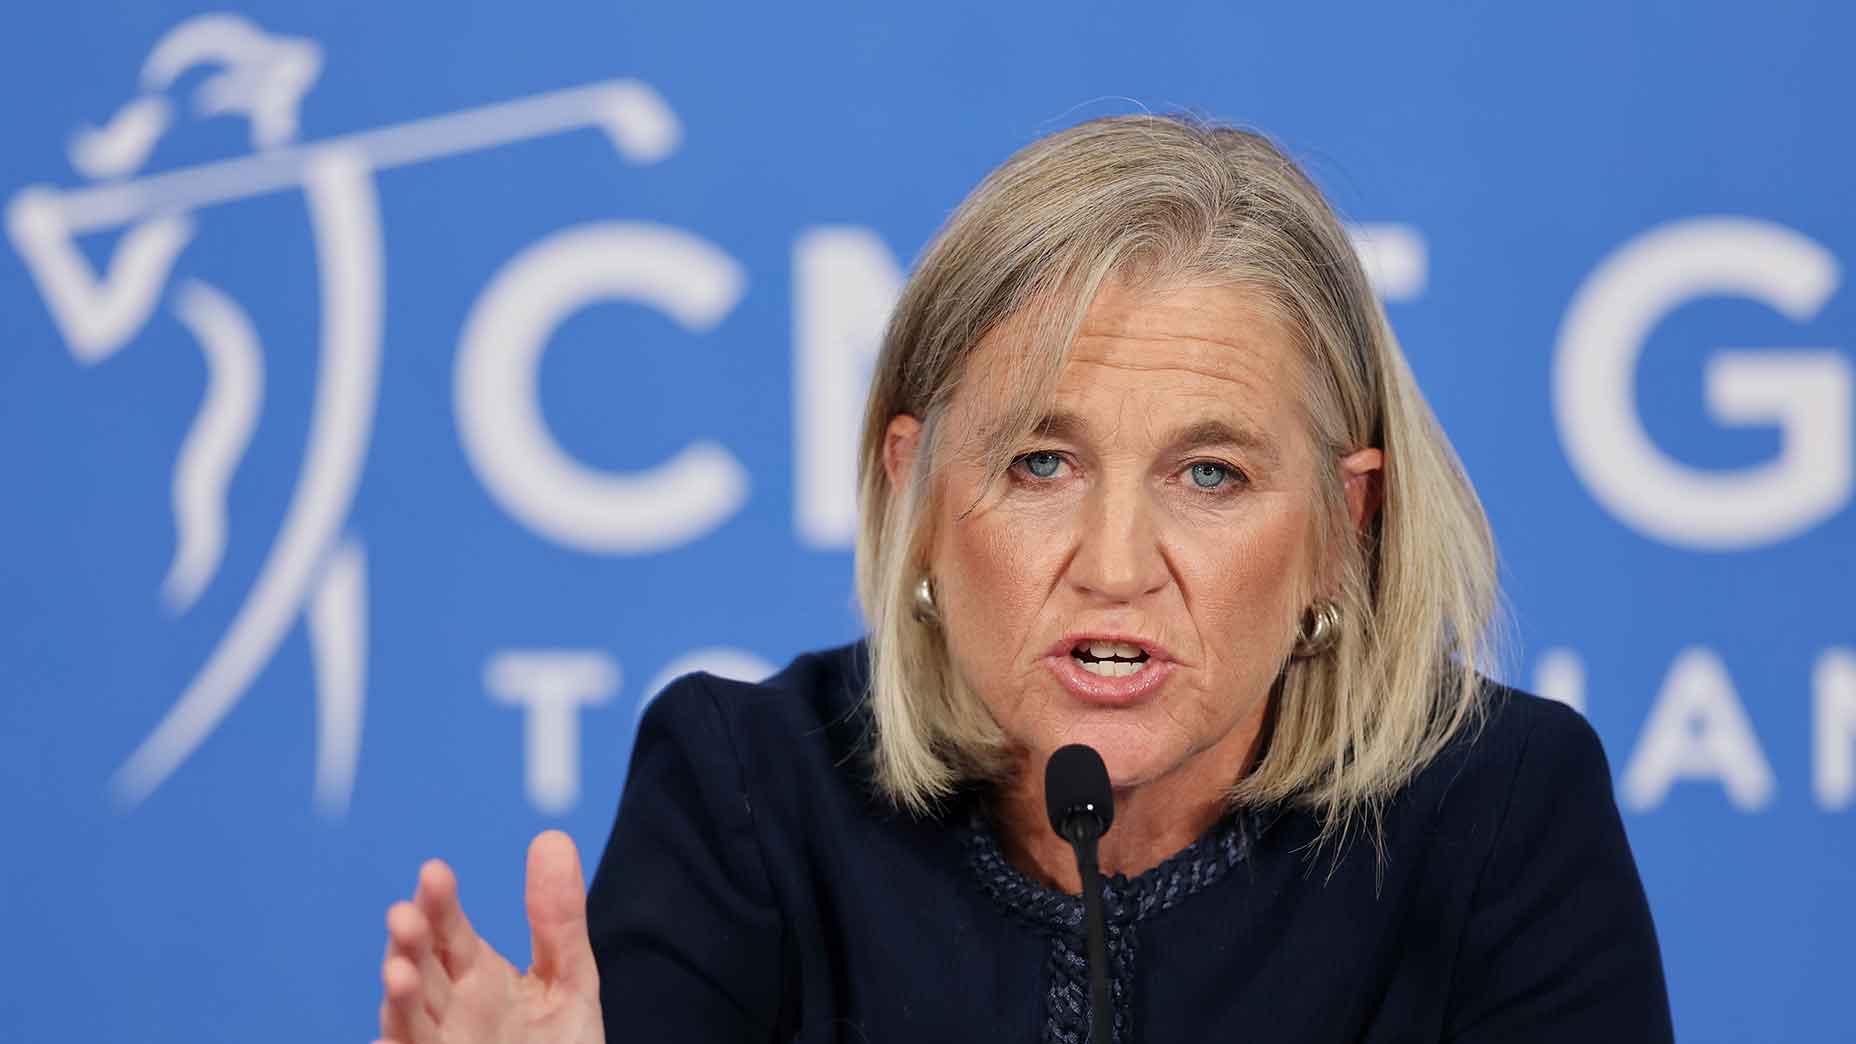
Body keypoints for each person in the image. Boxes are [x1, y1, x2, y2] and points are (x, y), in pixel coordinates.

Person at [373, 114, 1673, 1043]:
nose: (1115, 566)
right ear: (918, 499)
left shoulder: (1499, 818)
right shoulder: (751, 796)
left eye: (1209, 473)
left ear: (1343, 523)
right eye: (1043, 462)